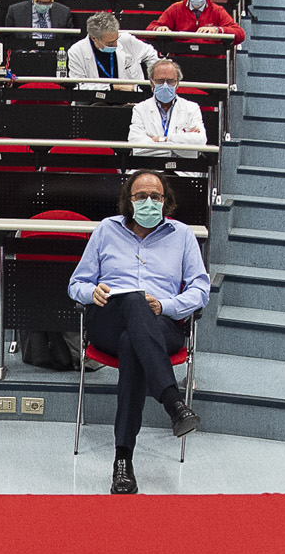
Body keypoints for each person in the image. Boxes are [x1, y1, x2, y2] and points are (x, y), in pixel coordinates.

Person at [69, 170, 209, 494]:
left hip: (161, 323)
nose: (148, 201)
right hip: (109, 318)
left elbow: (200, 290)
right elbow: (76, 284)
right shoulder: (106, 230)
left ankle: (123, 460)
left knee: (133, 342)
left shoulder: (183, 236)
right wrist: (92, 292)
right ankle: (173, 402)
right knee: (132, 299)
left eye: (155, 196)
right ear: (128, 201)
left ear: (165, 201)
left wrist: (166, 305)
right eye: (141, 196)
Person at [150, 0, 244, 47]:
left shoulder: (217, 11)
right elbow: (150, 29)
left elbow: (240, 34)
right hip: (180, 57)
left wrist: (217, 30)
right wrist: (159, 29)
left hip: (211, 59)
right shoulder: (175, 9)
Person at [66, 11, 156, 89]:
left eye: (116, 40)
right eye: (110, 43)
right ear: (94, 38)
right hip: (93, 100)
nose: (116, 45)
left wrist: (155, 78)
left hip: (130, 99)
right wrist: (112, 87)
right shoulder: (76, 52)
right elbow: (79, 87)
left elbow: (151, 55)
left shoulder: (127, 40)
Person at [129, 60, 207, 144]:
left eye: (170, 81)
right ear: (152, 83)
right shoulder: (140, 109)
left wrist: (162, 139)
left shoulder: (192, 108)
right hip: (157, 155)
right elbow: (135, 143)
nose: (165, 85)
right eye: (160, 81)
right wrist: (182, 138)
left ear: (177, 84)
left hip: (170, 154)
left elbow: (201, 140)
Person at [6, 0, 77, 39]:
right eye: (40, 2)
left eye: (48, 2)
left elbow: (69, 40)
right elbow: (8, 40)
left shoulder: (64, 12)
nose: (44, 5)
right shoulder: (15, 12)